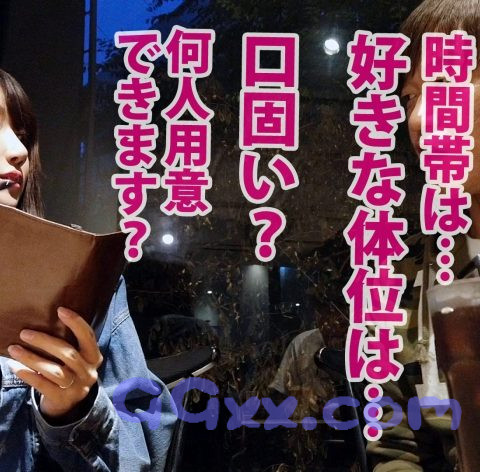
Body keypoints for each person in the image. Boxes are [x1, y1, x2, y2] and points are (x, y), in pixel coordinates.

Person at [0, 69, 176, 471]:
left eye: (23, 134)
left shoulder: (80, 279)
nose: (19, 150)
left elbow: (143, 455)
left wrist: (75, 409)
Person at [367, 1, 480, 470]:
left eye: (445, 85)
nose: (416, 120)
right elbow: (398, 445)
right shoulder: (408, 272)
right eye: (411, 97)